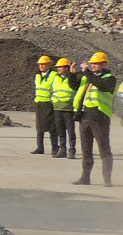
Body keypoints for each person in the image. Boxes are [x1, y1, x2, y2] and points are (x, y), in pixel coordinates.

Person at [71, 51, 115, 187]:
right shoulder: (88, 77)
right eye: (92, 64)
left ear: (104, 64)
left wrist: (87, 72)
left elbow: (101, 85)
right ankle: (85, 177)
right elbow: (74, 86)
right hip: (85, 116)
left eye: (96, 64)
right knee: (86, 149)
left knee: (104, 149)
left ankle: (107, 179)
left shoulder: (110, 78)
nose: (94, 66)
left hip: (100, 116)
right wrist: (72, 75)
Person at [49, 57, 80, 159]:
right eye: (57, 67)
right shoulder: (55, 77)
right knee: (60, 131)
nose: (58, 69)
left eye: (60, 67)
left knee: (70, 131)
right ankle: (62, 150)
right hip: (57, 107)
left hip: (68, 108)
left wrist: (73, 73)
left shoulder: (71, 78)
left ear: (66, 68)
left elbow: (75, 86)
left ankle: (72, 150)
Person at [32, 55, 58, 155]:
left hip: (49, 103)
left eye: (43, 64)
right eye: (40, 64)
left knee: (52, 127)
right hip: (39, 103)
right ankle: (40, 147)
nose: (41, 66)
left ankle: (55, 148)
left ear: (49, 64)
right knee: (39, 127)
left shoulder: (54, 75)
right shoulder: (38, 75)